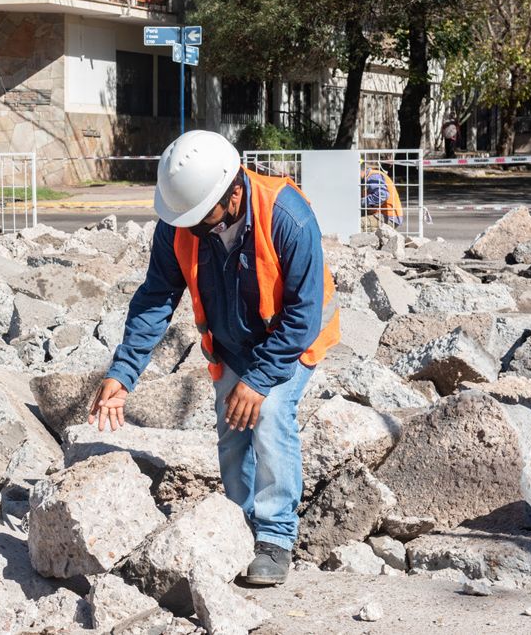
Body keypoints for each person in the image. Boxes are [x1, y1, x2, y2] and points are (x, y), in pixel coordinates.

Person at [86, 130, 340, 585]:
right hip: (232, 345)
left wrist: (261, 379)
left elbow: (303, 313)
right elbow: (155, 298)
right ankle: (240, 525)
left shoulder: (287, 216)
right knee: (232, 432)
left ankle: (276, 539)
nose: (193, 229)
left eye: (203, 218)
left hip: (292, 340)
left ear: (235, 192)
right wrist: (124, 373)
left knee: (271, 415)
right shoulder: (182, 222)